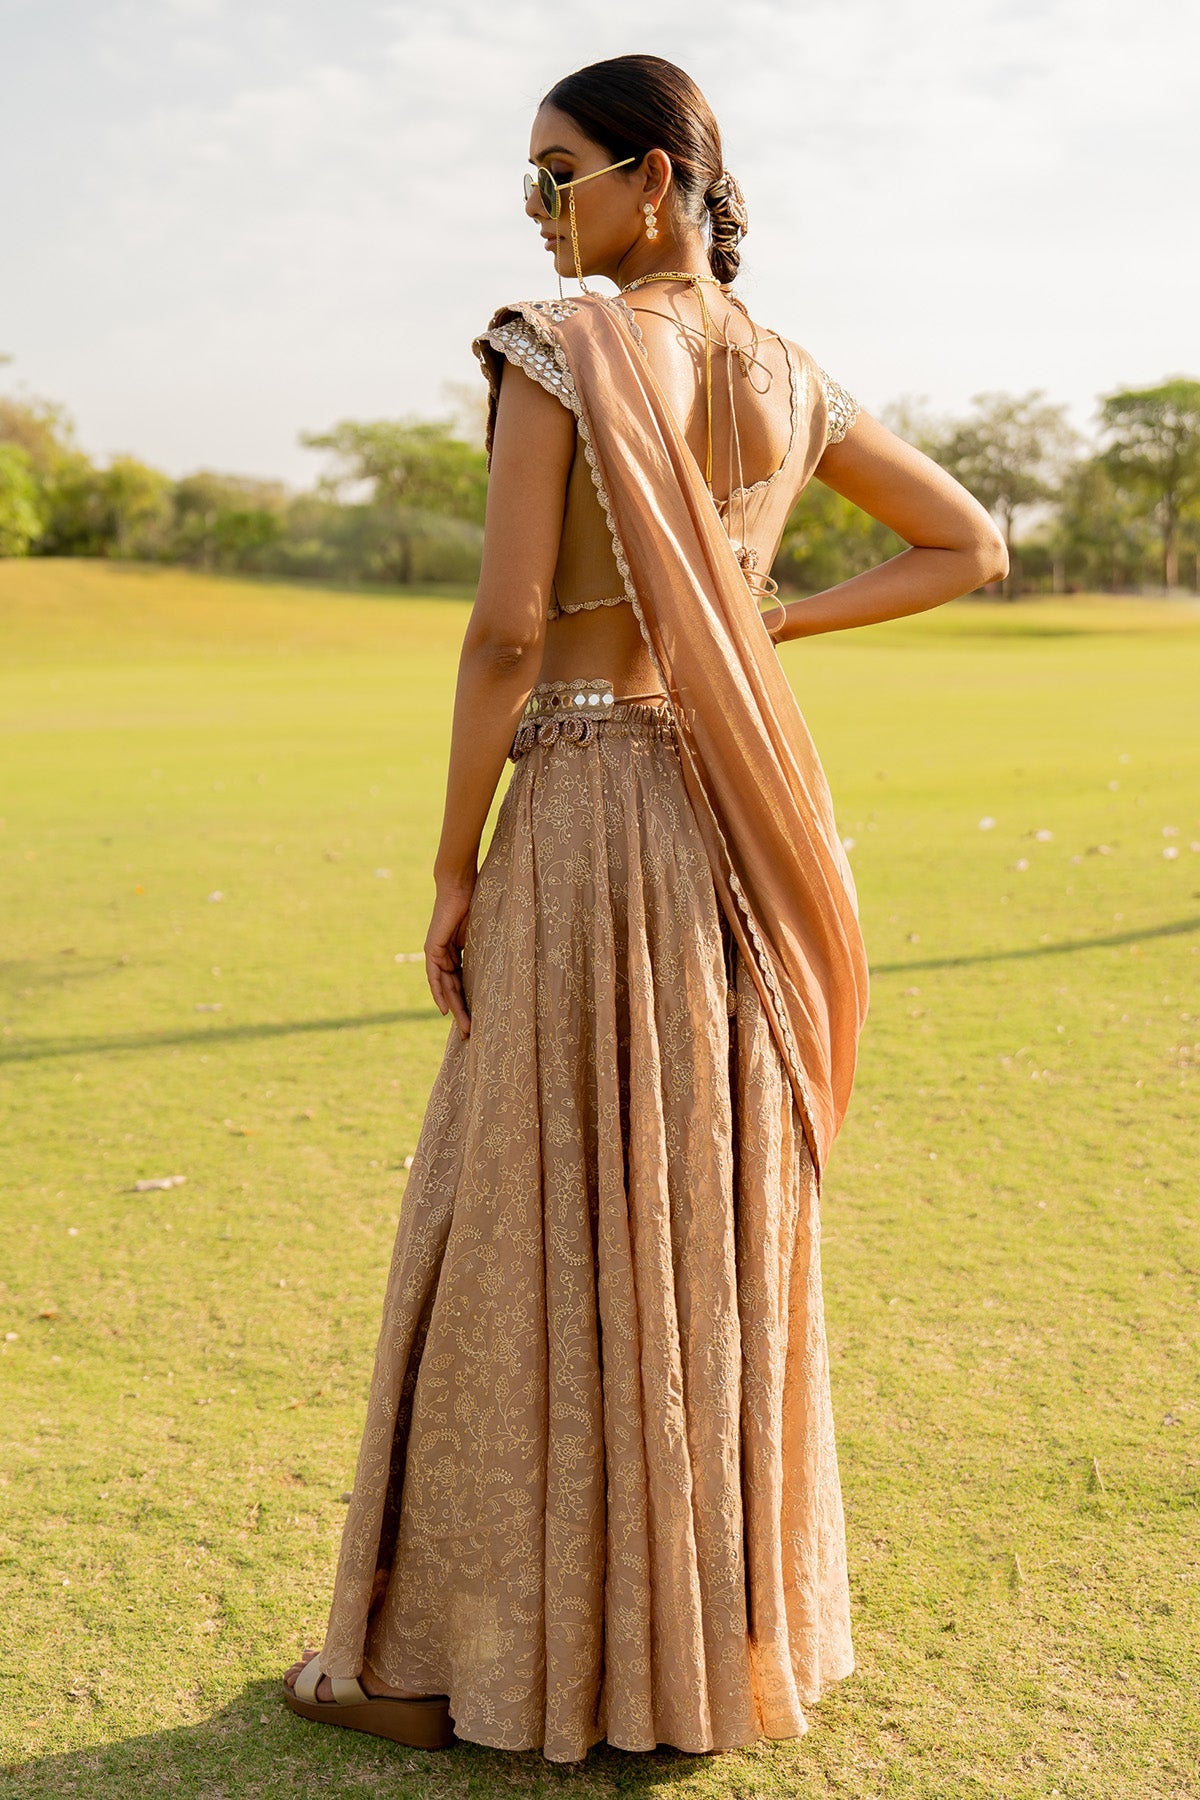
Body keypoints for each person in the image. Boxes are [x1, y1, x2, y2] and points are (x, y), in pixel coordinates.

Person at [282, 53, 1007, 1764]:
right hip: (738, 817)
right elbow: (969, 543)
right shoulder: (787, 374)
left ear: (654, 178)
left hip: (592, 807)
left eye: (558, 174)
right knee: (696, 1210)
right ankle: (693, 1661)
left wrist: (452, 863)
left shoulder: (565, 345)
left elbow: (507, 632)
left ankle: (456, 1664)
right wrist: (763, 624)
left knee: (517, 1221)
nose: (536, 210)